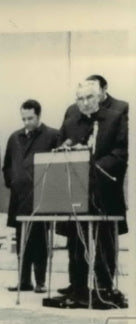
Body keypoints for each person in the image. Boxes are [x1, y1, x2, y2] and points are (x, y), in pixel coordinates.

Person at [57, 80, 128, 304]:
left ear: (100, 97)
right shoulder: (70, 122)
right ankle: (78, 288)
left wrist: (92, 164)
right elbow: (61, 152)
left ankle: (104, 288)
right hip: (77, 194)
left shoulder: (116, 118)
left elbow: (120, 153)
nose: (85, 103)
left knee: (105, 242)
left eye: (89, 97)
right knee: (77, 243)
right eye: (80, 98)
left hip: (105, 191)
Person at [2, 100, 61, 293]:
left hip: (42, 197)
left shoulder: (52, 135)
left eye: (30, 118)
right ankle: (24, 281)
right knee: (21, 241)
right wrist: (13, 181)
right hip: (19, 198)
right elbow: (7, 165)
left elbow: (59, 164)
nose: (26, 122)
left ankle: (41, 282)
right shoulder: (14, 137)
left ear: (39, 116)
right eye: (24, 118)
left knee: (41, 240)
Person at [62, 74, 129, 127]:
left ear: (104, 88)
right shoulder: (72, 110)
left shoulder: (121, 108)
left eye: (95, 89)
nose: (92, 92)